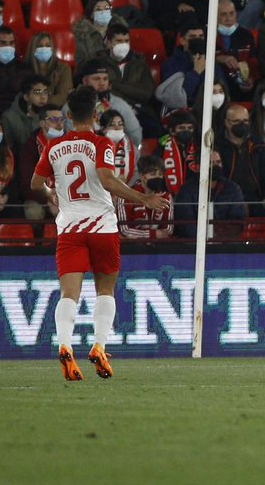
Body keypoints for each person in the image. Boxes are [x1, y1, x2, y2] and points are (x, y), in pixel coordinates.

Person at [30, 85, 170, 381]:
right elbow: (107, 180)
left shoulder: (54, 147)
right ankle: (99, 346)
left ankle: (65, 344)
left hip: (69, 228)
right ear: (95, 114)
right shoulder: (102, 143)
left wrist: (50, 193)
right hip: (102, 227)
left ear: (68, 115)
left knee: (69, 294)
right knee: (104, 290)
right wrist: (144, 198)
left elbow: (34, 184)